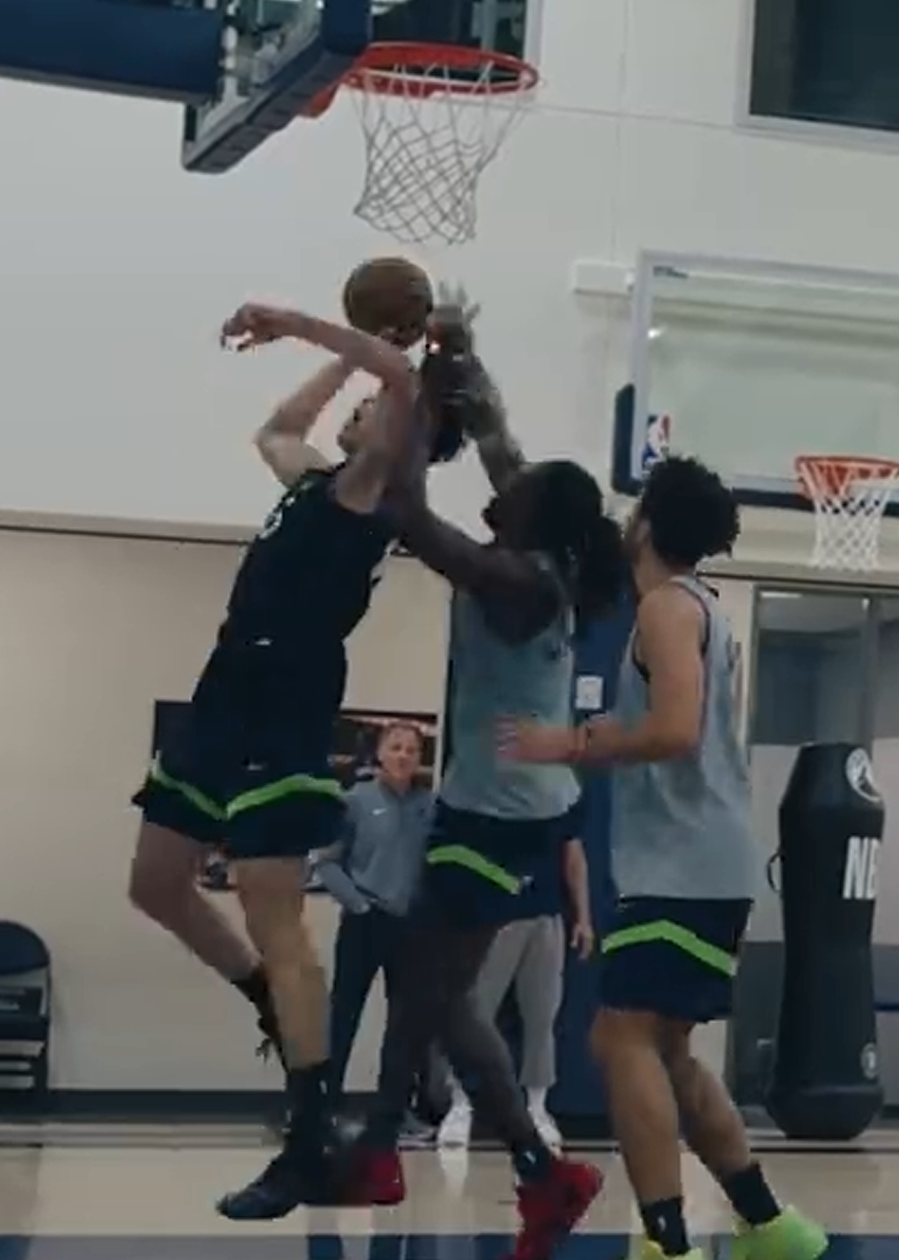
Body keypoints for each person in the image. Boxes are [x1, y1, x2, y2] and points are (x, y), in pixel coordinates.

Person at [127, 294, 468, 1222]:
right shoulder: (315, 481)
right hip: (225, 681)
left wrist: (293, 321)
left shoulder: (375, 491)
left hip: (289, 693)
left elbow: (401, 382)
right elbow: (275, 429)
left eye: (373, 404)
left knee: (272, 907)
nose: (359, 404)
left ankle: (311, 1141)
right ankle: (273, 1003)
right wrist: (351, 358)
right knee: (155, 883)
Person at [501, 455, 829, 1260]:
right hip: (702, 865)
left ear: (647, 521)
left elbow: (675, 729)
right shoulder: (696, 606)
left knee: (619, 1040)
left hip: (684, 865)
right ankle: (770, 1226)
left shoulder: (666, 609)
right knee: (668, 1050)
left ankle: (665, 1241)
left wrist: (576, 742)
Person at [343, 353, 627, 1260]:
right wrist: (464, 365)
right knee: (432, 986)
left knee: (432, 984)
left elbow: (416, 521)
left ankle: (440, 1154)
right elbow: (502, 445)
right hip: (504, 806)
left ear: (534, 516)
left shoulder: (522, 582)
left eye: (518, 490)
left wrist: (412, 419)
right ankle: (507, 1167)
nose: (504, 488)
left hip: (498, 813)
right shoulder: (542, 551)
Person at [434, 832, 593, 1151]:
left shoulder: (560, 803)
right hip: (494, 913)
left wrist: (583, 918)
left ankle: (537, 1107)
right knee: (474, 1013)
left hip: (544, 913)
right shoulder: (494, 801)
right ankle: (460, 1103)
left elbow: (573, 854)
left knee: (542, 1015)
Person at [317, 720, 438, 1115]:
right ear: (380, 753)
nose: (403, 756)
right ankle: (323, 1106)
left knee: (405, 1023)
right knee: (344, 1014)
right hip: (365, 921)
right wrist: (358, 905)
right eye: (396, 748)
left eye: (411, 750)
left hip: (411, 927)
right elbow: (327, 863)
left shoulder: (429, 806)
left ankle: (394, 1111)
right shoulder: (355, 801)